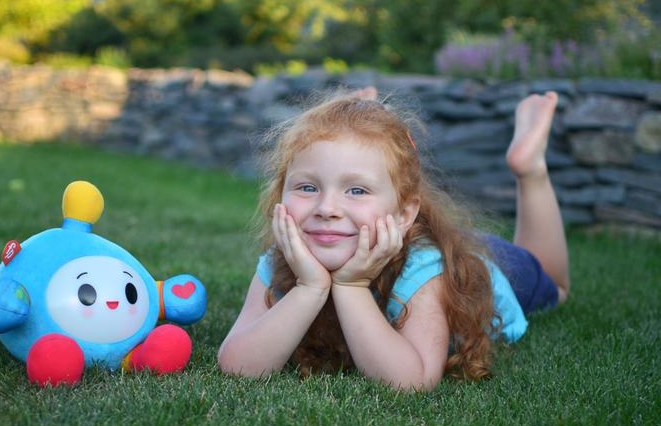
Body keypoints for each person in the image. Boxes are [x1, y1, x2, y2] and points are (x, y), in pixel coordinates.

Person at [217, 88, 570, 391]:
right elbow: (237, 365)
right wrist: (309, 288)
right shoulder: (283, 257)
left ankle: (531, 171)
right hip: (394, 235)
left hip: (486, 269)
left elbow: (411, 381)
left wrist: (351, 287)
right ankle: (367, 112)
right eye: (307, 187)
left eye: (357, 190)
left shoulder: (423, 270)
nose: (326, 208)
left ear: (403, 214)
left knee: (556, 286)